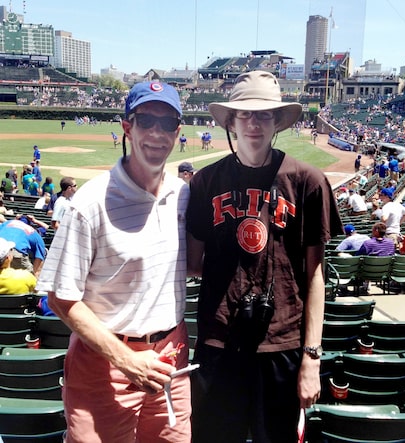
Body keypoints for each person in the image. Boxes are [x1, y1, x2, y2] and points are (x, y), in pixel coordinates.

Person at [186, 71, 343, 443]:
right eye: (244, 114)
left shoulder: (308, 180)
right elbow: (192, 264)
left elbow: (314, 276)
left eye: (264, 114)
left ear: (276, 122)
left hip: (282, 343)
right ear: (230, 121)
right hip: (219, 341)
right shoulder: (205, 182)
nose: (254, 122)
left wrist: (312, 357)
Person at [36, 80, 191, 442]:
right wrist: (126, 359)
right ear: (127, 126)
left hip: (171, 358)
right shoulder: (88, 203)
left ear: (178, 131)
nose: (156, 132)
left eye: (167, 123)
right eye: (146, 120)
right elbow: (61, 298)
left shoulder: (184, 196)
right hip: (105, 364)